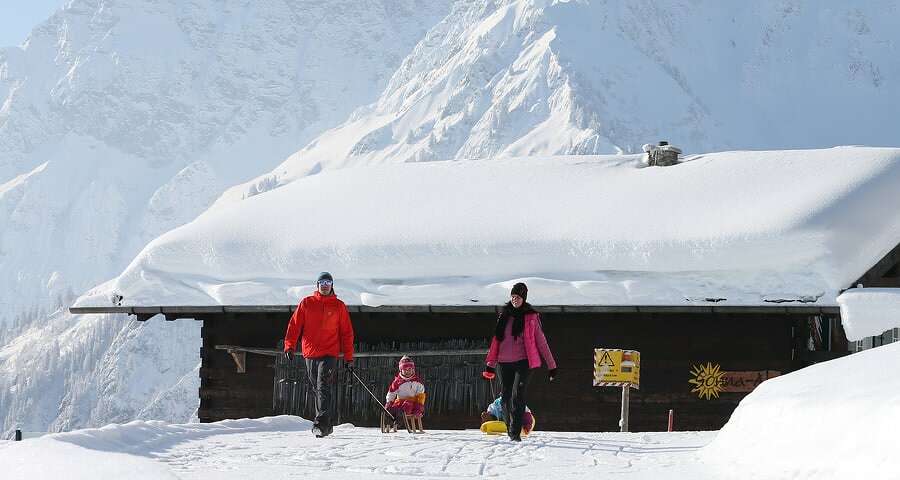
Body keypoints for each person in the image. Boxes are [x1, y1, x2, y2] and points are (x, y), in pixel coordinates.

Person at [482, 282, 557, 441]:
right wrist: (490, 365)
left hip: (524, 362)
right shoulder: (504, 316)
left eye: (518, 297)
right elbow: (496, 341)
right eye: (513, 296)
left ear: (524, 298)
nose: (515, 299)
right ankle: (510, 428)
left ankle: (515, 433)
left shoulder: (531, 317)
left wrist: (552, 365)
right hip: (504, 362)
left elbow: (541, 342)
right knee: (506, 396)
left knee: (518, 394)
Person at [283, 272, 354, 438]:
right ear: (317, 285)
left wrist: (348, 357)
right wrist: (289, 346)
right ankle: (327, 425)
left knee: (323, 385)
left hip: (329, 353)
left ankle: (320, 424)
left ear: (332, 285)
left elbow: (347, 333)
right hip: (310, 353)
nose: (325, 285)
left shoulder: (339, 306)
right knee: (317, 388)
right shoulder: (307, 303)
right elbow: (294, 325)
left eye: (328, 282)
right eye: (322, 282)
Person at [385, 355, 426, 426]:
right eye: (405, 370)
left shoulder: (417, 382)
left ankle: (399, 422)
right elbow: (391, 393)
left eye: (410, 369)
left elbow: (420, 397)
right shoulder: (397, 382)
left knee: (407, 405)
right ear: (401, 370)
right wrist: (389, 403)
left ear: (413, 369)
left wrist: (418, 409)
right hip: (399, 402)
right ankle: (390, 421)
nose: (408, 371)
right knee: (393, 408)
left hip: (413, 404)